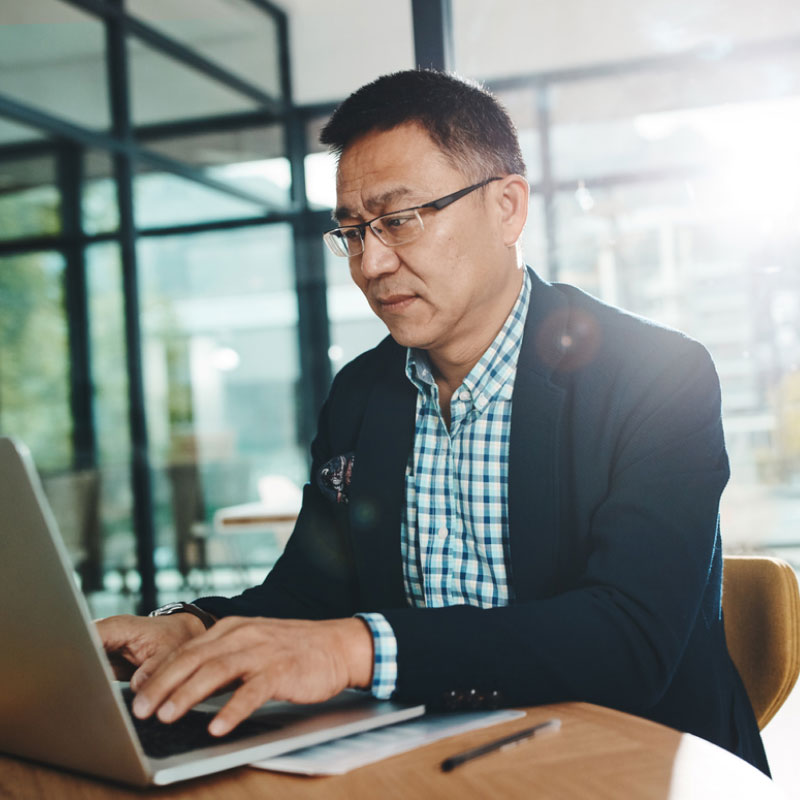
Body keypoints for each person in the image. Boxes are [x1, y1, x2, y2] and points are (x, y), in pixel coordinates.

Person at [98, 69, 769, 773]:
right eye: (353, 232)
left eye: (399, 219)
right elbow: (309, 591)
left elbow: (629, 639)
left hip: (637, 756)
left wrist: (355, 649)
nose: (371, 264)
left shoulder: (658, 375)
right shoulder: (362, 393)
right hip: (430, 757)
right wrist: (191, 629)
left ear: (508, 208)